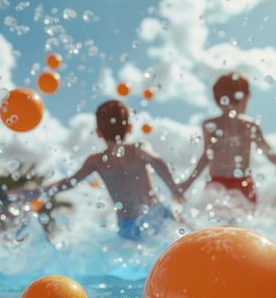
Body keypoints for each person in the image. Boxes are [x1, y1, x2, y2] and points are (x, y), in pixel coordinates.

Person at [19, 100, 183, 240]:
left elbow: (69, 182)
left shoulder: (96, 160)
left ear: (98, 132)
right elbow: (156, 160)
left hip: (127, 225)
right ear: (129, 128)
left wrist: (36, 192)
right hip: (156, 216)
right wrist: (174, 189)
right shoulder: (138, 148)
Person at [178, 72, 276, 205]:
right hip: (243, 187)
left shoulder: (211, 125)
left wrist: (186, 184)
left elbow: (206, 158)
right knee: (243, 229)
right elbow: (271, 156)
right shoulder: (249, 125)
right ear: (245, 98)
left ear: (217, 100)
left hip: (216, 186)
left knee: (216, 228)